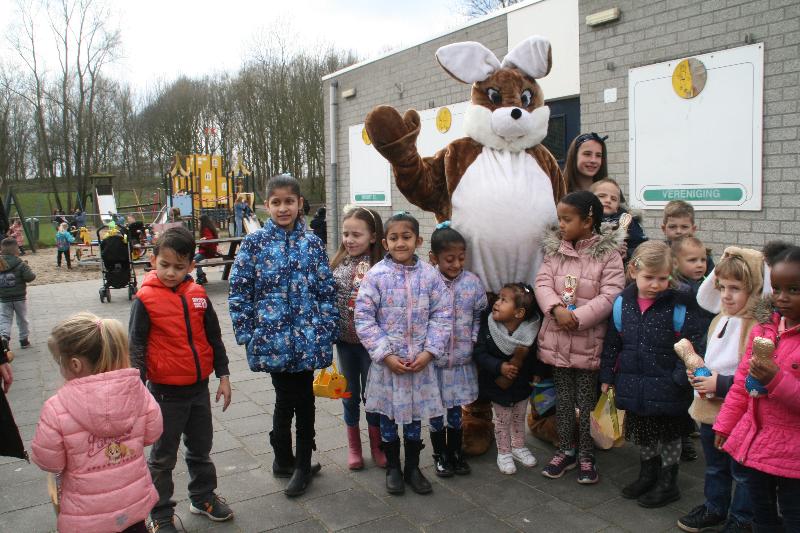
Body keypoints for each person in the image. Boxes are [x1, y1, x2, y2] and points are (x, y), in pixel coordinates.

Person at [229, 174, 336, 498]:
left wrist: (325, 328)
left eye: (289, 201)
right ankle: (284, 458)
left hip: (306, 338)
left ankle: (299, 463)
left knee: (302, 399)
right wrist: (248, 332)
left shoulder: (312, 244)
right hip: (272, 339)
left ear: (299, 204)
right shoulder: (255, 244)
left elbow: (324, 290)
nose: (283, 208)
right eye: (276, 202)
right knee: (285, 398)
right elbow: (239, 289)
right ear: (266, 206)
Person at [129, 227, 233, 531]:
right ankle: (159, 513)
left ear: (191, 265)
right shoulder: (144, 300)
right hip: (164, 393)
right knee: (162, 457)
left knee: (201, 448)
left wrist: (223, 375)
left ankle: (202, 496)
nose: (171, 273)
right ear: (153, 260)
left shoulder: (198, 295)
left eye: (179, 266)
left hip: (198, 389)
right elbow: (136, 346)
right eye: (165, 265)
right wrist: (137, 388)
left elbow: (214, 338)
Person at [31, 313, 163, 533]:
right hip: (133, 504)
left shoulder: (56, 407)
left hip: (86, 517)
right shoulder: (137, 391)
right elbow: (153, 433)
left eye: (59, 363)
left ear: (74, 364)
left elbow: (49, 462)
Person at [600, 241, 707, 508]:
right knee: (645, 432)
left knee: (669, 433)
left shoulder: (680, 305)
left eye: (663, 278)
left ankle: (668, 482)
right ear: (634, 271)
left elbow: (693, 344)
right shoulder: (622, 303)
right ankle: (648, 473)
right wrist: (607, 376)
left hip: (669, 384)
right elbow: (613, 342)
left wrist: (680, 378)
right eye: (649, 277)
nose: (656, 284)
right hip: (635, 382)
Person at [354, 212, 452, 495]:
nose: (400, 243)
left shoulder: (431, 276)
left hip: (420, 365)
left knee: (413, 420)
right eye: (394, 238)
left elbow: (443, 314)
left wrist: (430, 352)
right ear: (385, 242)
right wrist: (384, 354)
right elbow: (363, 317)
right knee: (388, 418)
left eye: (406, 237)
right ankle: (394, 468)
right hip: (388, 365)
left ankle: (412, 467)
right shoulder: (376, 277)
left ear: (418, 240)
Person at [535, 191, 625, 483]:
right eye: (559, 218)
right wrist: (556, 309)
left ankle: (587, 454)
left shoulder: (608, 254)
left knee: (585, 403)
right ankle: (566, 450)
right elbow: (542, 282)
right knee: (562, 399)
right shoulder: (555, 251)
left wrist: (579, 317)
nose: (561, 224)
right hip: (558, 340)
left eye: (567, 219)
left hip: (589, 344)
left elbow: (612, 293)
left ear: (588, 220)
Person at [677, 247, 768, 533]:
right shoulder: (719, 319)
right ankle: (715, 507)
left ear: (754, 291)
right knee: (715, 465)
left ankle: (742, 518)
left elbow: (756, 379)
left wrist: (721, 384)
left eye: (736, 288)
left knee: (741, 470)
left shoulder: (756, 328)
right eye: (722, 287)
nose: (726, 295)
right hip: (709, 410)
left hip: (739, 413)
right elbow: (710, 357)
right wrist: (696, 371)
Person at [713, 243, 800, 532]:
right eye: (777, 289)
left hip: (793, 454)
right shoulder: (766, 328)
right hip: (758, 441)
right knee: (760, 513)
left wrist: (775, 379)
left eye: (794, 290)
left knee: (792, 515)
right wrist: (725, 425)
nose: (782, 298)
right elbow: (741, 384)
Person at [427, 222, 487, 477]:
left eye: (461, 258)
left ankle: (456, 454)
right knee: (434, 412)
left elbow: (478, 315)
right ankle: (440, 455)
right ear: (434, 258)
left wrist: (473, 340)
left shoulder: (472, 283)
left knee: (454, 411)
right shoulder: (427, 282)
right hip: (433, 362)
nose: (455, 264)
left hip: (461, 361)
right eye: (449, 259)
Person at [330, 206, 386, 470]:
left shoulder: (382, 267)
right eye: (345, 234)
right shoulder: (337, 263)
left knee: (372, 395)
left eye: (356, 235)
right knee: (349, 393)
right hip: (345, 343)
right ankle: (354, 446)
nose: (349, 240)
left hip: (371, 346)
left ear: (373, 237)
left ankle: (378, 445)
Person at [473, 283, 541, 475]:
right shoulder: (488, 326)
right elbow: (479, 353)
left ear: (519, 313)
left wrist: (537, 372)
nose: (496, 302)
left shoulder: (531, 331)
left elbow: (536, 354)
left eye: (504, 300)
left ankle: (518, 446)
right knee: (502, 419)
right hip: (497, 384)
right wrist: (499, 366)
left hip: (522, 384)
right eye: (498, 297)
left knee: (519, 417)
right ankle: (504, 452)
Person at [590, 178, 648, 260]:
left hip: (617, 268)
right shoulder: (581, 219)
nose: (608, 200)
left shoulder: (627, 220)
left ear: (617, 207)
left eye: (613, 199)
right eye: (602, 196)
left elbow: (641, 246)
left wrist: (627, 253)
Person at [661, 200, 715, 275]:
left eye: (684, 227)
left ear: (693, 229)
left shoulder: (703, 256)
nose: (678, 231)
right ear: (664, 229)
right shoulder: (660, 255)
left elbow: (712, 282)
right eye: (672, 227)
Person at [0, 238, 35, 349]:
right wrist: (27, 268)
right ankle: (24, 340)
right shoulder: (20, 264)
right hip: (19, 297)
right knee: (22, 318)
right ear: (16, 250)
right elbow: (30, 277)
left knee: (5, 318)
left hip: (4, 298)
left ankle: (4, 337)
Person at [194, 215, 219, 285]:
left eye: (199, 222)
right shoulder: (209, 227)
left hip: (207, 252)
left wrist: (203, 239)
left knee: (194, 261)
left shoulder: (205, 229)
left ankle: (201, 276)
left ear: (203, 222)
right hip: (208, 250)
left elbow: (209, 238)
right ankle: (201, 275)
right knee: (193, 258)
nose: (199, 224)